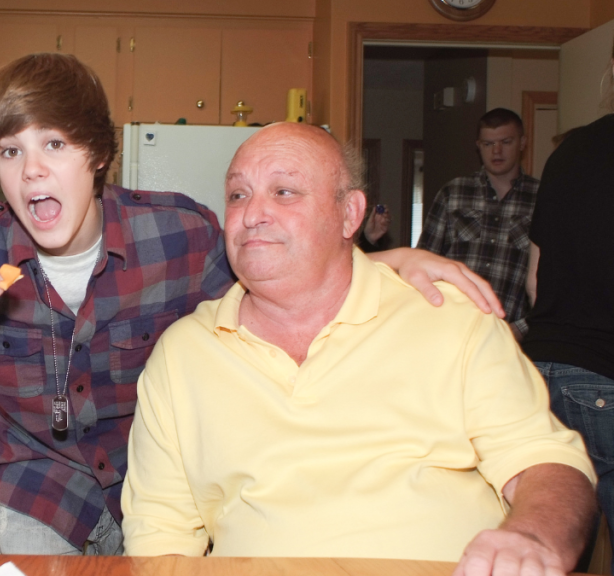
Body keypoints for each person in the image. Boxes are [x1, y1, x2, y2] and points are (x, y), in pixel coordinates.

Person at [0, 53, 507, 556]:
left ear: (99, 154)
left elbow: (284, 280)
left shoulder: (179, 235)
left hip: (168, 489)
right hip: (41, 493)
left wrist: (387, 262)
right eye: (10, 151)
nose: (31, 171)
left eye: (54, 144)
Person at [121, 122, 597, 574]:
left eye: (284, 191)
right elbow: (159, 536)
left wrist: (533, 536)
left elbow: (545, 464)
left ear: (350, 213)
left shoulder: (448, 317)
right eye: (238, 195)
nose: (253, 213)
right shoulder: (184, 354)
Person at [523, 41, 614, 569]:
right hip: (606, 373)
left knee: (556, 548)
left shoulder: (569, 151)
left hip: (547, 369)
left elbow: (536, 280)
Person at [418, 108, 539, 339]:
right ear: (478, 146)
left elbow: (552, 280)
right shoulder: (453, 193)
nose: (497, 151)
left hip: (511, 336)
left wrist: (521, 329)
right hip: (450, 329)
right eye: (488, 144)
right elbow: (424, 261)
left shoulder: (541, 198)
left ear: (522, 142)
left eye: (506, 141)